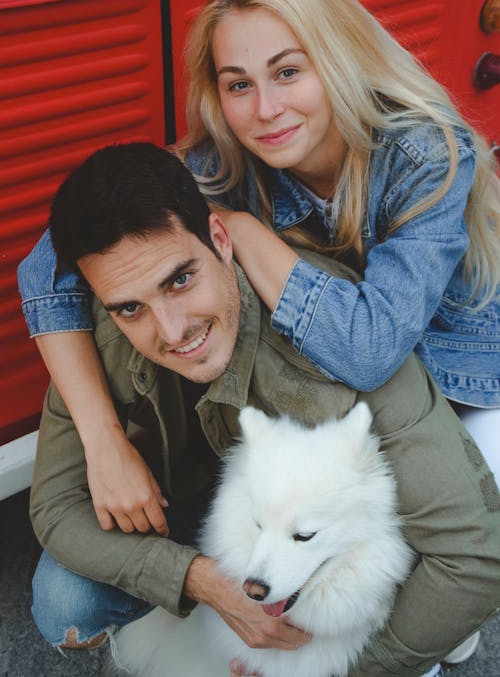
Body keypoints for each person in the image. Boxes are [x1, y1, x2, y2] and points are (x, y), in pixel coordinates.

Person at [29, 142, 500, 677]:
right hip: (214, 512)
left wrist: (351, 668)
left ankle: (424, 635)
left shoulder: (332, 330)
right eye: (131, 308)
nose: (172, 330)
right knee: (64, 599)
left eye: (181, 280)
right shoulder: (105, 332)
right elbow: (55, 507)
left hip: (322, 520)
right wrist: (202, 580)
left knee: (427, 556)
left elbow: (476, 554)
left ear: (222, 241)